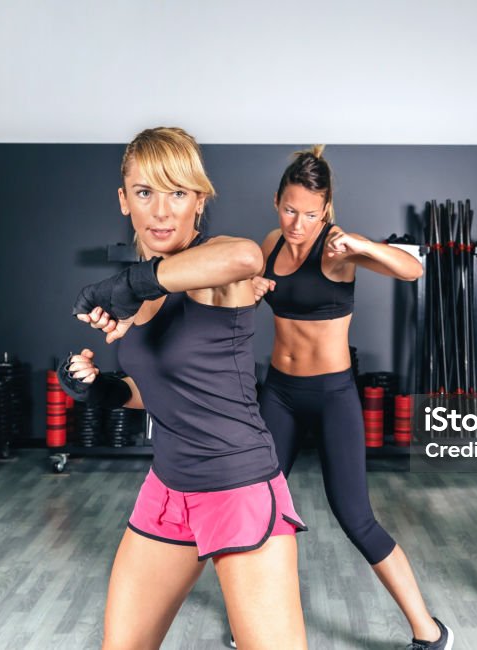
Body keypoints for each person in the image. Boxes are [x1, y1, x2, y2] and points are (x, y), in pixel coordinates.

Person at [61, 127, 308, 650]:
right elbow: (161, 390)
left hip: (237, 486)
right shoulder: (146, 291)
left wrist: (128, 284)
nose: (161, 211)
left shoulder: (214, 264)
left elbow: (246, 257)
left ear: (200, 200)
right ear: (124, 200)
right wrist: (104, 390)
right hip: (169, 488)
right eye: (146, 192)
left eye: (178, 192)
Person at [251, 146, 453, 649]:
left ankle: (428, 632)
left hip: (332, 393)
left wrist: (362, 243)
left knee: (354, 515)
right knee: (255, 508)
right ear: (277, 201)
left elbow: (413, 270)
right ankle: (255, 624)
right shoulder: (272, 242)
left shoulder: (338, 249)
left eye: (312, 213)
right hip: (279, 392)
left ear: (328, 211)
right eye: (290, 209)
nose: (298, 223)